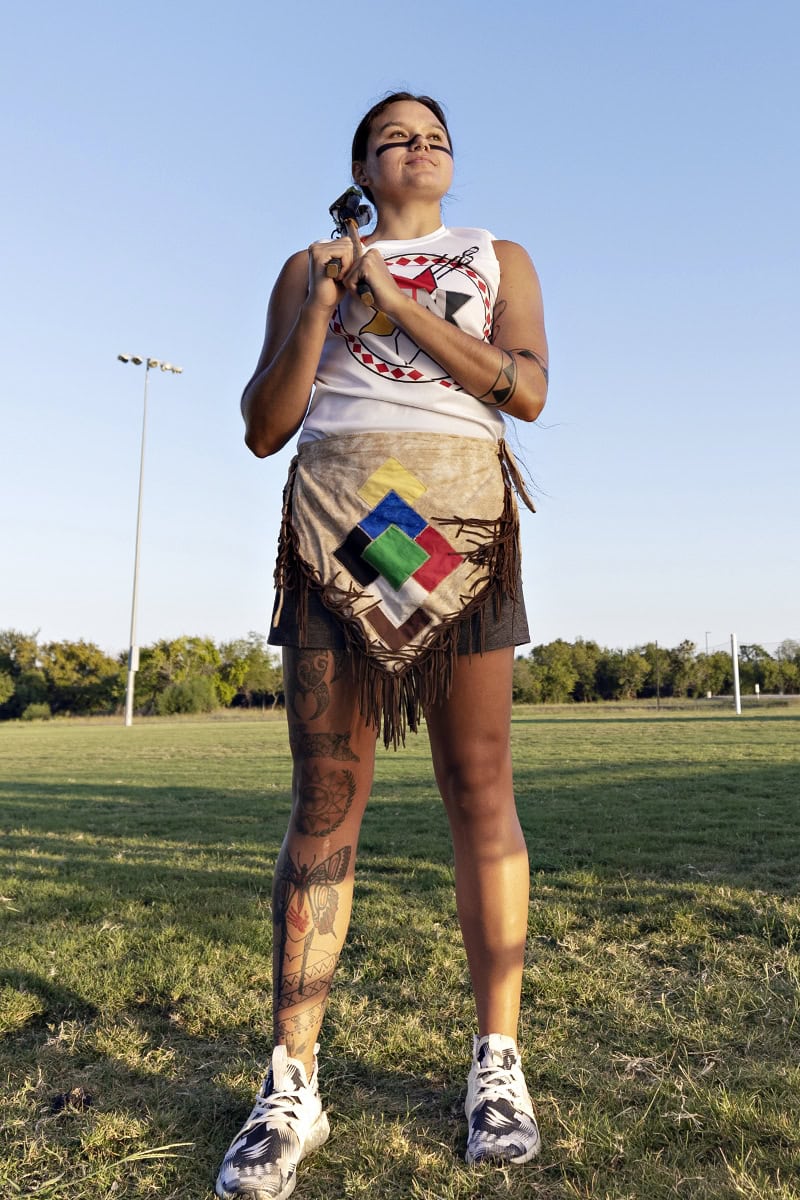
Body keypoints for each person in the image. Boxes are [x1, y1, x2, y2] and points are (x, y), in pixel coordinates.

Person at [216, 92, 548, 1200]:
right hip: (343, 522)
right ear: (360, 166)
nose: (422, 145)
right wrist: (326, 300)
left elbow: (528, 391)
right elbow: (264, 425)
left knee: (479, 787)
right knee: (324, 800)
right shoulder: (309, 265)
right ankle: (290, 1083)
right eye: (396, 136)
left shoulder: (495, 258)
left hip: (458, 522)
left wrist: (398, 305)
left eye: (436, 135)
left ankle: (496, 1065)